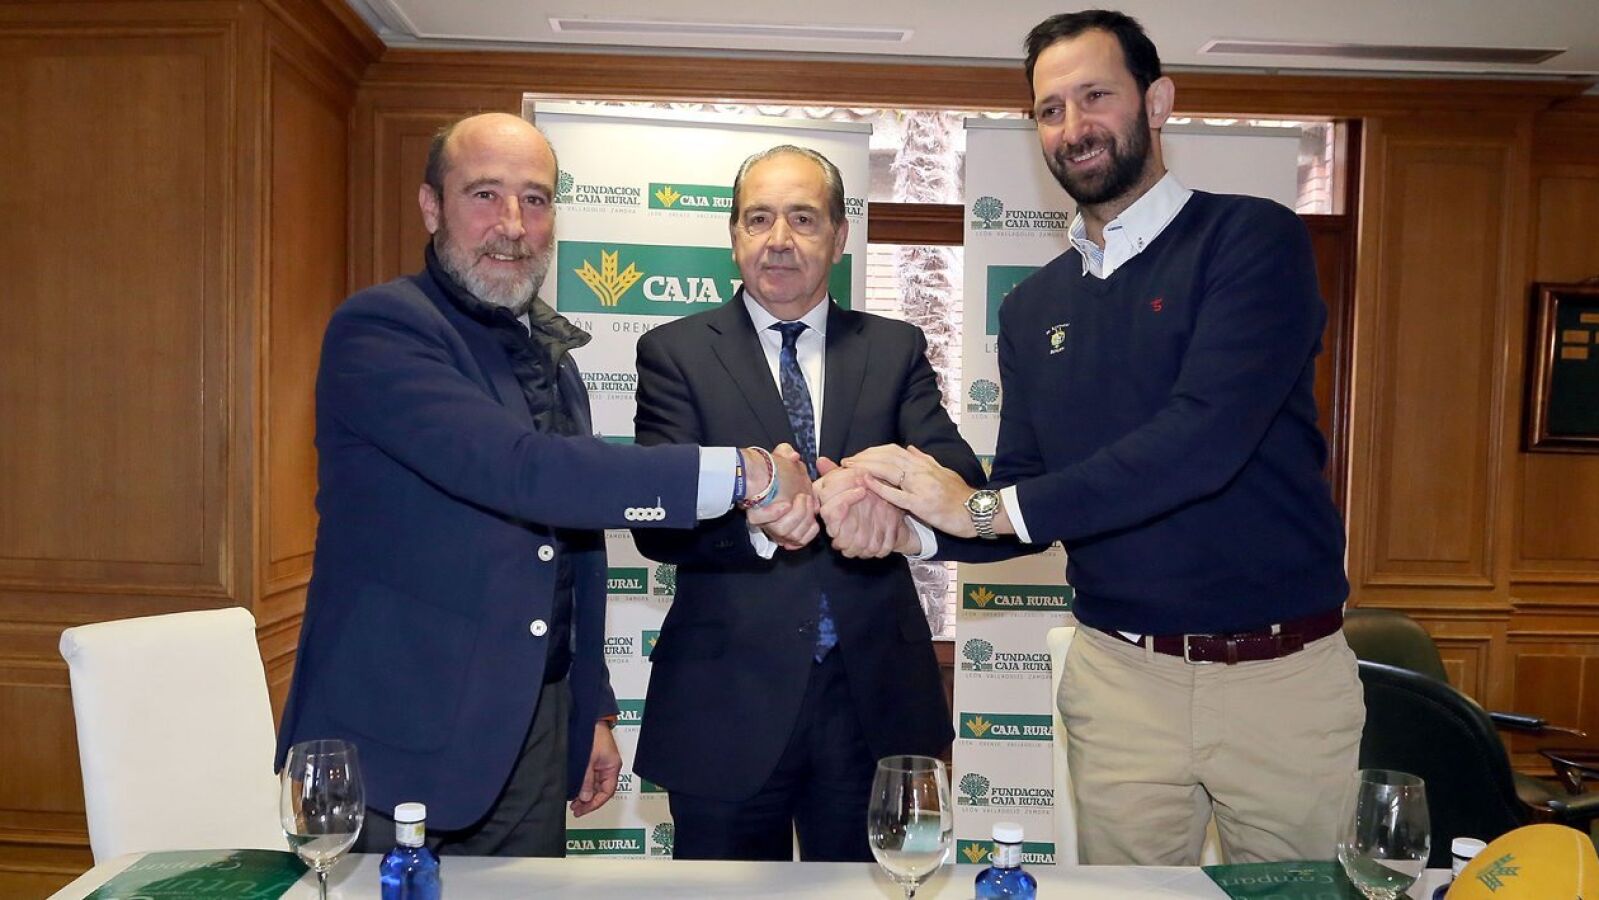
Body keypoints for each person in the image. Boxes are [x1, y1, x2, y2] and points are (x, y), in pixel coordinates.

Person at [844, 10, 1363, 866]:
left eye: (1095, 97)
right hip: (1119, 681)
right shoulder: (1031, 307)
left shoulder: (1251, 238)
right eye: (1049, 110)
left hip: (1280, 679)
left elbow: (1200, 442)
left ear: (1155, 102)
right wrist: (909, 526)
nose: (1073, 126)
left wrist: (977, 509)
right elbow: (1025, 492)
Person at [274, 113, 810, 857]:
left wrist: (590, 710)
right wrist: (745, 472)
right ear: (431, 207)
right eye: (484, 195)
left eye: (535, 199)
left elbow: (571, 555)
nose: (512, 224)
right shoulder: (383, 328)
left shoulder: (551, 359)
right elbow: (523, 471)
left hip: (529, 737)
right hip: (397, 745)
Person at [628, 145, 983, 861]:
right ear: (734, 236)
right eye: (758, 219)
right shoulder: (674, 352)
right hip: (725, 702)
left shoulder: (894, 348)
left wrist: (890, 509)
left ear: (839, 236)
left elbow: (958, 482)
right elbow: (658, 523)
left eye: (803, 218)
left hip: (872, 703)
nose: (779, 239)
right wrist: (759, 527)